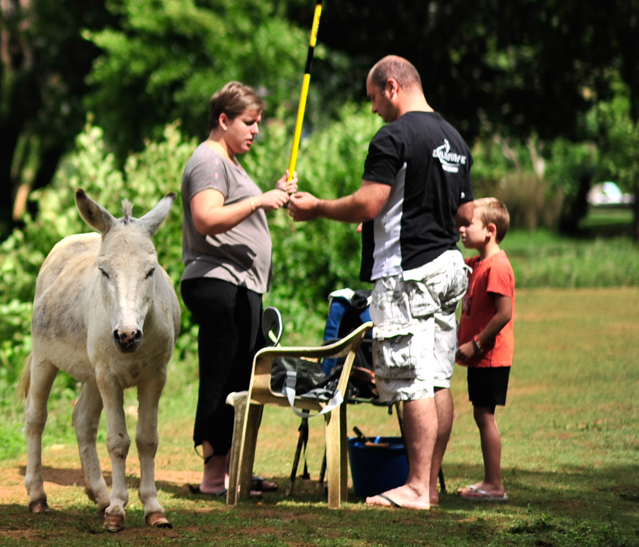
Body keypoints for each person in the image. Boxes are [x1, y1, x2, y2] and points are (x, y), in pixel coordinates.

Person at [290, 56, 474, 510]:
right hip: (448, 266)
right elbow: (461, 214)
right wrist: (385, 222)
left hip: (407, 273)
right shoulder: (454, 139)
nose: (373, 109)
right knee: (437, 380)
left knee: (411, 380)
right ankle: (428, 485)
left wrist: (316, 208)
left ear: (392, 87)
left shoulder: (394, 136)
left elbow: (369, 203)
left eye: (373, 98)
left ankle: (413, 487)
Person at [180, 82, 294, 497]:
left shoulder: (227, 161)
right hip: (217, 282)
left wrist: (275, 193)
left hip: (239, 286)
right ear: (223, 120)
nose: (256, 131)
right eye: (249, 122)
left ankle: (234, 472)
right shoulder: (208, 161)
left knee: (240, 380)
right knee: (221, 376)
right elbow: (207, 218)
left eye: (259, 123)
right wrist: (260, 201)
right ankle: (214, 477)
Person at [455, 197, 516, 502]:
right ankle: (491, 481)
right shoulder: (478, 263)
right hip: (481, 358)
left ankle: (495, 484)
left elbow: (504, 313)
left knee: (485, 416)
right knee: (482, 415)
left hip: (490, 356)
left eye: (468, 225)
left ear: (490, 230)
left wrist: (476, 343)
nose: (461, 231)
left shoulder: (497, 266)